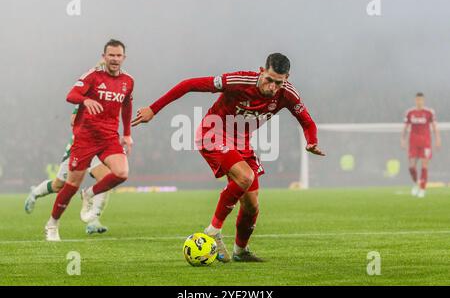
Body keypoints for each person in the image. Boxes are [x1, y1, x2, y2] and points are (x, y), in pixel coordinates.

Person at [132, 53, 325, 262]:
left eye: (279, 82)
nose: (272, 87)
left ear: (287, 77)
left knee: (252, 205)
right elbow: (188, 85)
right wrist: (153, 108)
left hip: (242, 143)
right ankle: (213, 231)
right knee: (245, 177)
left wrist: (311, 140)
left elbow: (308, 122)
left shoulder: (288, 94)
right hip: (212, 132)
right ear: (262, 71)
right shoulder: (238, 81)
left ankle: (240, 252)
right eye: (269, 80)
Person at [45, 39, 134, 241]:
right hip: (85, 138)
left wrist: (127, 133)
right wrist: (85, 99)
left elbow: (127, 106)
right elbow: (71, 94)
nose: (115, 59)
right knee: (71, 185)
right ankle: (52, 224)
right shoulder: (93, 76)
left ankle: (89, 193)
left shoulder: (128, 81)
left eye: (118, 55)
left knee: (121, 173)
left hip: (109, 137)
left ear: (124, 58)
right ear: (104, 56)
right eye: (111, 55)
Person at [25, 105, 111, 234]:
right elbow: (73, 119)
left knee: (105, 179)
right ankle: (35, 192)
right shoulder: (88, 96)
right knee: (58, 185)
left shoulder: (112, 96)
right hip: (80, 146)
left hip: (99, 145)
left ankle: (93, 221)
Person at [401, 92, 441, 198]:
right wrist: (402, 139)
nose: (419, 102)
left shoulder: (429, 112)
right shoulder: (410, 113)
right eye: (417, 100)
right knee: (411, 166)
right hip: (413, 142)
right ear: (415, 100)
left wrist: (437, 139)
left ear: (423, 100)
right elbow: (405, 127)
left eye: (421, 100)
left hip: (425, 143)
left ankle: (422, 189)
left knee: (424, 165)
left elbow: (434, 127)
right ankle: (415, 184)